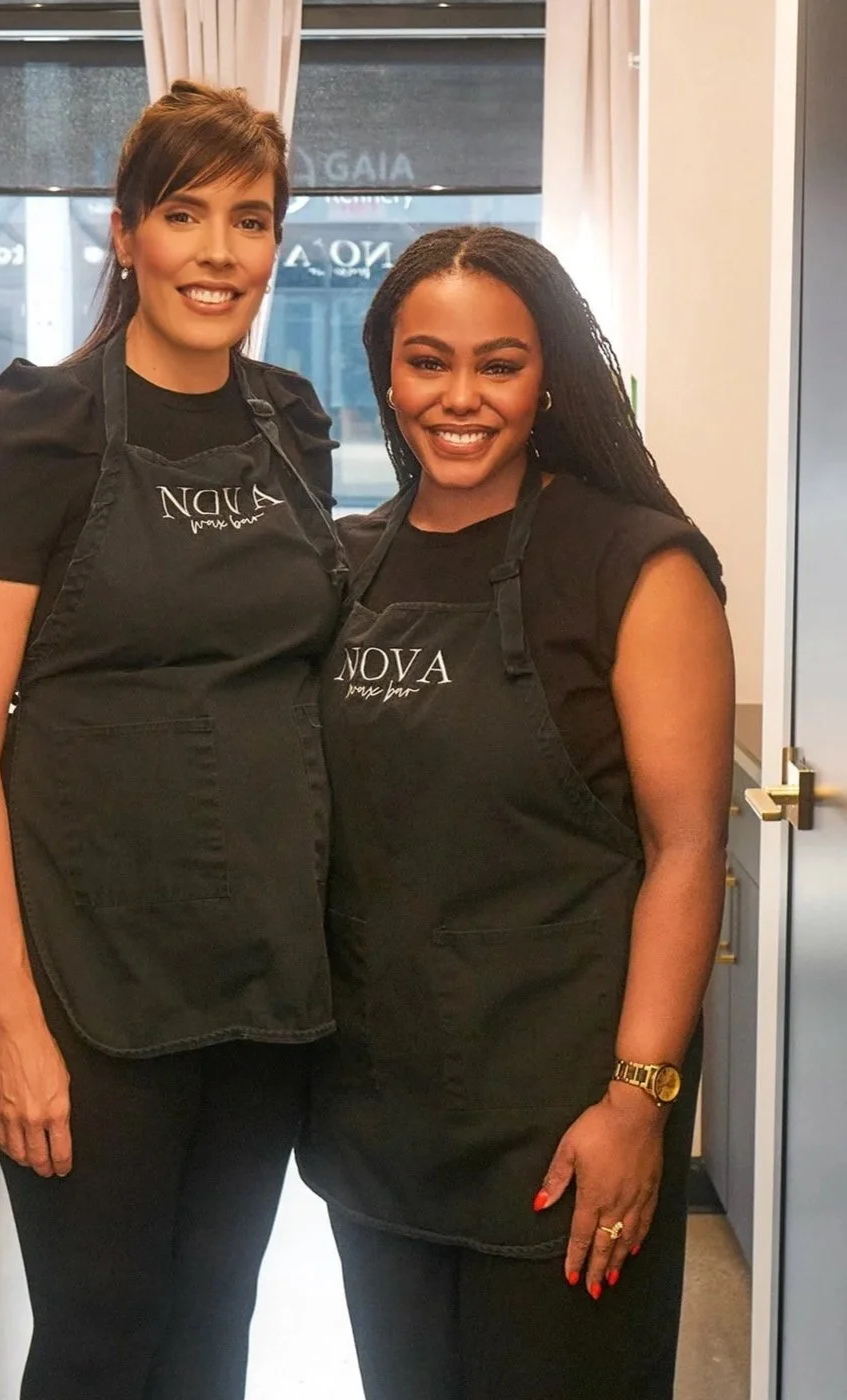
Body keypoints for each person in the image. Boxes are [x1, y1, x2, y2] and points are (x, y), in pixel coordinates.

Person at [0, 80, 344, 1400]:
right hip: (82, 981)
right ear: (124, 233)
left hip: (262, 971)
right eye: (184, 214)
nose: (219, 253)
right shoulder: (35, 431)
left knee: (214, 1331)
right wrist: (11, 1024)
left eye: (250, 220)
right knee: (103, 1337)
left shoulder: (293, 422)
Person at [297, 225, 734, 1400]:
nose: (460, 396)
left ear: (549, 379)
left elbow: (686, 847)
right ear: (386, 375)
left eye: (499, 363)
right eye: (426, 361)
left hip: (566, 1118)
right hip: (379, 1122)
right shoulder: (343, 565)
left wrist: (636, 1100)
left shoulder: (635, 566)